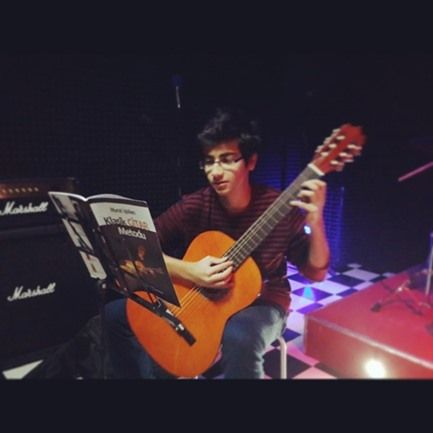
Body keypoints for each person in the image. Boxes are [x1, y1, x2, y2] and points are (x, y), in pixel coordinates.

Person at [104, 107, 330, 379]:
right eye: (209, 161)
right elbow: (135, 249)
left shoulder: (279, 209)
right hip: (199, 295)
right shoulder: (195, 206)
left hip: (264, 301)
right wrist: (190, 271)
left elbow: (316, 272)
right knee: (115, 314)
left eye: (227, 160)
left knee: (239, 336)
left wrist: (316, 222)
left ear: (251, 162)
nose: (215, 172)